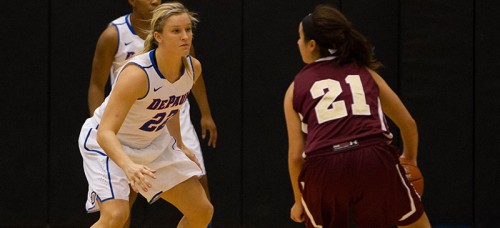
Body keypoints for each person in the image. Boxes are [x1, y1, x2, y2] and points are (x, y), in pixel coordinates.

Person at [284, 4, 432, 227]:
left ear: (312, 45)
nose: (297, 43)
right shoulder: (365, 72)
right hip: (374, 158)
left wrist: (299, 201)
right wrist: (409, 158)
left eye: (299, 37)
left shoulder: (294, 88)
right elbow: (407, 123)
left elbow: (296, 156)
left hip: (325, 167)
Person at [78, 2, 213, 227]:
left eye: (188, 30)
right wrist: (128, 166)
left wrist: (179, 144)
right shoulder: (137, 74)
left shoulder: (192, 68)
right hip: (108, 144)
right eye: (176, 31)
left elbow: (172, 106)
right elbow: (105, 132)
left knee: (202, 211)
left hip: (151, 143)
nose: (185, 37)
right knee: (115, 217)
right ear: (158, 36)